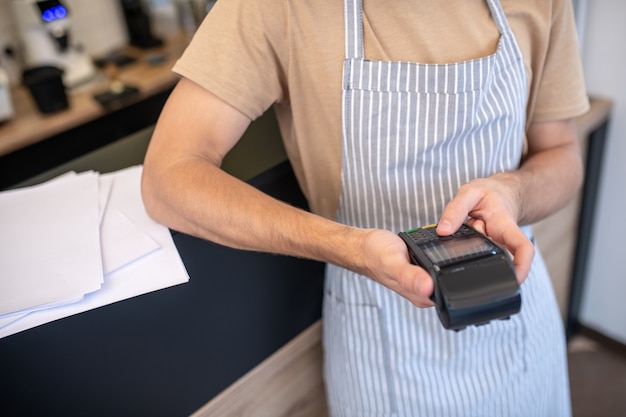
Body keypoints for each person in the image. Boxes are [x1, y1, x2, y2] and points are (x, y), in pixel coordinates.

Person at [141, 0, 589, 415]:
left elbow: (562, 152)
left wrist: (514, 192)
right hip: (382, 337)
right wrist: (350, 247)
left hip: (517, 311)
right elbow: (169, 176)